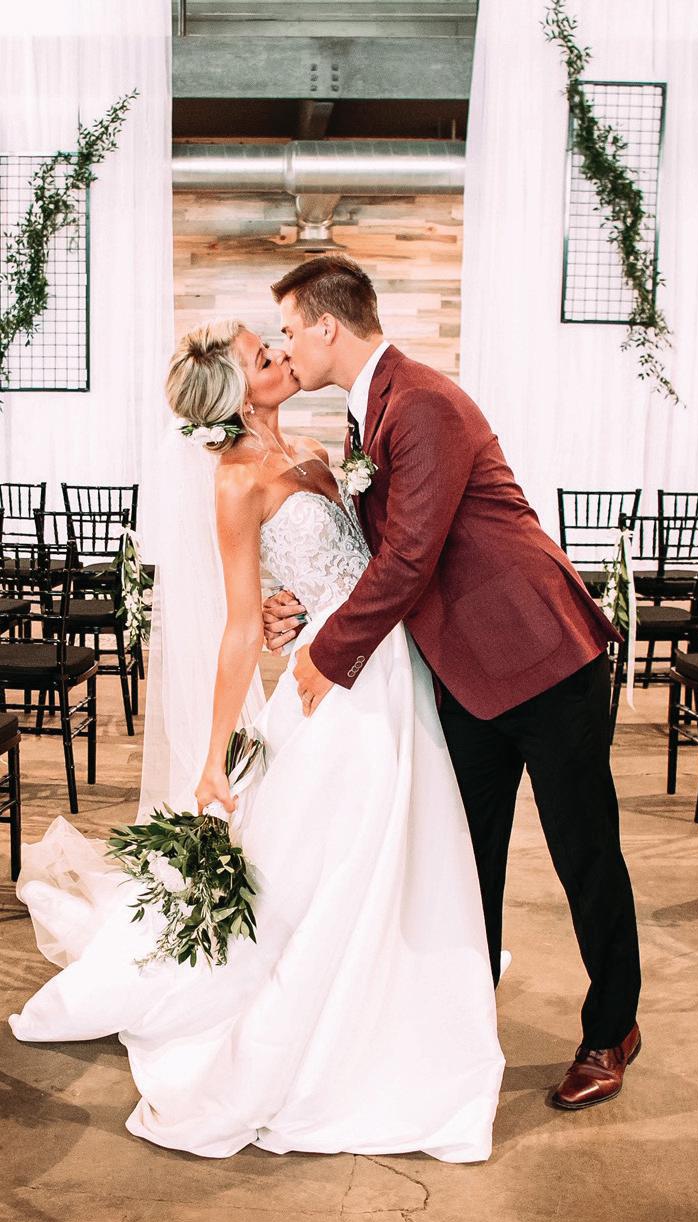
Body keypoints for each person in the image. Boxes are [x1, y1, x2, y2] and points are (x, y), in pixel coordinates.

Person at [8, 319, 504, 1162]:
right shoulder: (236, 480)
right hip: (335, 685)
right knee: (347, 844)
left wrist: (303, 606)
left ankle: (401, 986)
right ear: (236, 397)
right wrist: (213, 758)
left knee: (401, 836)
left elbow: (360, 562)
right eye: (260, 356)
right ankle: (339, 1025)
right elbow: (242, 623)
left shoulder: (314, 445)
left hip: (387, 660)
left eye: (272, 345)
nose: (279, 355)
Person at [263, 254, 642, 1112]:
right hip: (463, 674)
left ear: (327, 325)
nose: (285, 348)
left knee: (584, 850)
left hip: (544, 657)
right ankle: (461, 1026)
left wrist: (327, 656)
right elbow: (373, 550)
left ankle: (611, 1027)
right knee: (467, 861)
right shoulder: (367, 415)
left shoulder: (421, 402)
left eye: (289, 330)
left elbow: (409, 556)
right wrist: (303, 600)